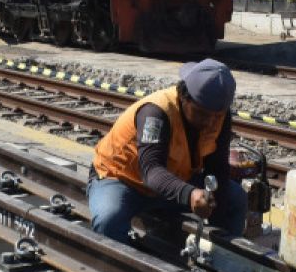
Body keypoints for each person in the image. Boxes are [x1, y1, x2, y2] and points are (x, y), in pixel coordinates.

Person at [88, 58, 247, 244]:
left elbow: (217, 167)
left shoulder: (218, 114)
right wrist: (190, 195)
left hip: (172, 181)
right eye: (202, 114)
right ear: (184, 97)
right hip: (122, 180)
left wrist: (216, 226)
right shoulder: (156, 113)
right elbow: (151, 171)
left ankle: (222, 260)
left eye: (217, 116)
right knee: (109, 221)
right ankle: (123, 269)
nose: (210, 122)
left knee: (235, 198)